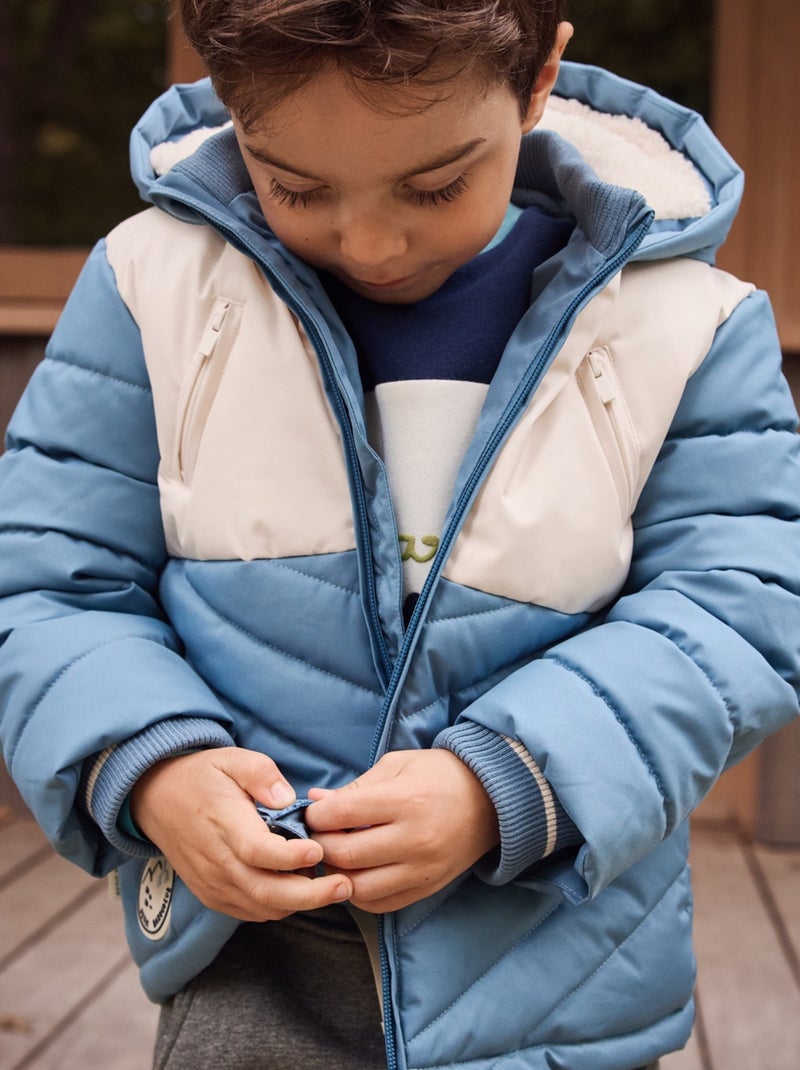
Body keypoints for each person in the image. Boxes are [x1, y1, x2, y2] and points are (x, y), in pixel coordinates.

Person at [1, 1, 798, 1068]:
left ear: (538, 75)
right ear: (228, 91)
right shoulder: (152, 285)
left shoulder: (686, 321)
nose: (371, 245)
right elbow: (50, 580)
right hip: (255, 954)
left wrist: (506, 782)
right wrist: (149, 762)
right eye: (296, 188)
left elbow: (740, 604)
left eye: (434, 186)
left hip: (556, 961)